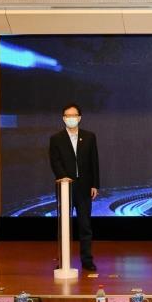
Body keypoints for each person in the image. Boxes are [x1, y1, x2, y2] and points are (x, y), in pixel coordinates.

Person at [49, 103, 100, 271]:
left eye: (74, 115)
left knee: (85, 226)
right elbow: (55, 161)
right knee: (64, 225)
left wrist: (95, 184)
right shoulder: (56, 138)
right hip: (65, 187)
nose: (71, 118)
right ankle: (64, 260)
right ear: (64, 118)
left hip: (84, 187)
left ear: (79, 118)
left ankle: (87, 260)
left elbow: (94, 162)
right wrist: (63, 177)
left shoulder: (89, 137)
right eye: (68, 116)